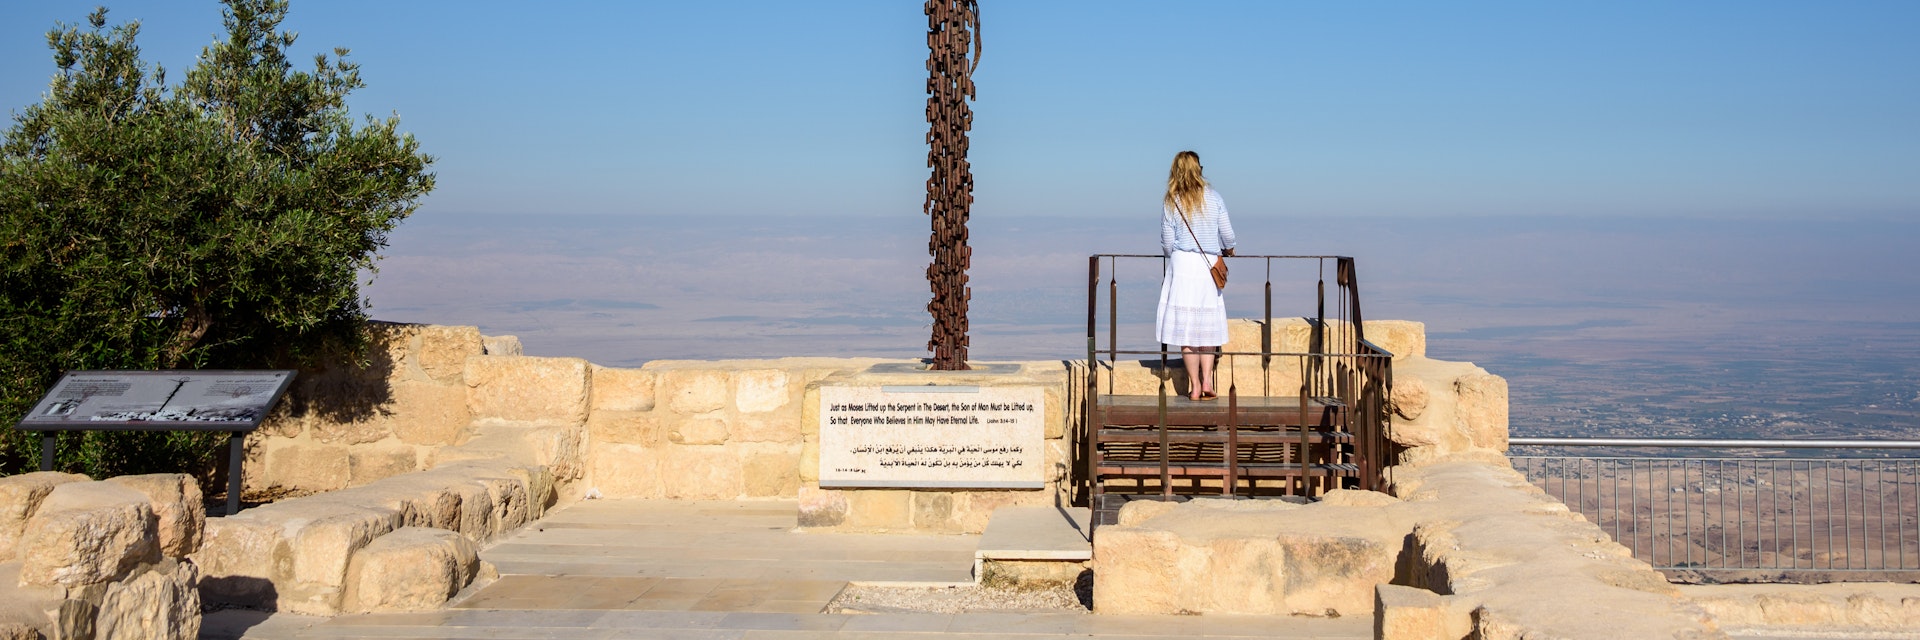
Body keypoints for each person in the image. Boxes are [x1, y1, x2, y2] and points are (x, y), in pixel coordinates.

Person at [1155, 150, 1236, 401]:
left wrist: (1177, 254)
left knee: (1186, 330)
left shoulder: (1172, 201)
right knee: (1207, 328)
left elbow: (1167, 243)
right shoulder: (1214, 198)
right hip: (1207, 265)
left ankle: (1194, 386)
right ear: (1199, 169)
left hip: (1182, 267)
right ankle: (1208, 380)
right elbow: (1229, 235)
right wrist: (1229, 250)